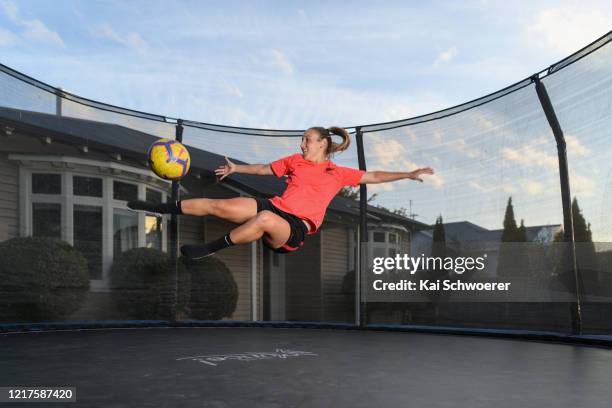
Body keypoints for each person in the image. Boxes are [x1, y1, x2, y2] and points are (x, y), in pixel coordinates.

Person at [128, 126, 434, 260]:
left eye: (307, 139)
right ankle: (159, 207)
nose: (302, 144)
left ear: (323, 144)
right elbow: (264, 169)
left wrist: (408, 173)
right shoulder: (294, 161)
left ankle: (208, 249)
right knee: (217, 205)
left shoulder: (338, 173)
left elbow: (375, 175)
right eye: (302, 139)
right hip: (275, 205)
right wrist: (236, 169)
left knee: (262, 218)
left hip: (296, 228)